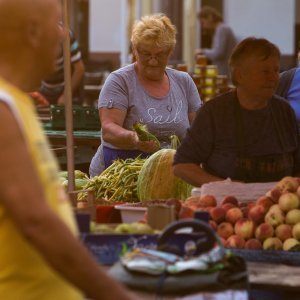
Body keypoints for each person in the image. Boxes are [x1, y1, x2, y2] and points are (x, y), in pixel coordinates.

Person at [0, 0, 137, 299]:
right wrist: (116, 295)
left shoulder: (18, 103)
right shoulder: (2, 111)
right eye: (57, 23)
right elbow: (37, 222)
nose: (63, 35)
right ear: (33, 32)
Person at [173, 37, 300, 186]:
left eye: (276, 70)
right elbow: (182, 166)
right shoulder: (214, 113)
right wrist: (225, 188)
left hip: (277, 207)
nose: (273, 78)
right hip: (225, 206)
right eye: (265, 71)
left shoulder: (284, 111)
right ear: (240, 75)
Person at [89, 14, 201, 177]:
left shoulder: (183, 82)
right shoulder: (120, 81)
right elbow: (109, 130)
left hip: (167, 175)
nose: (153, 61)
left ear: (170, 52)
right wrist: (134, 139)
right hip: (123, 173)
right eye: (146, 54)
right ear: (135, 50)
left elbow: (197, 130)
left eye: (159, 54)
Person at [31, 25, 85, 106]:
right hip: (45, 89)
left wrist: (65, 95)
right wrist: (37, 94)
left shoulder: (67, 36)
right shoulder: (34, 37)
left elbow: (79, 69)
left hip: (68, 88)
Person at [195, 6, 237, 76]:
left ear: (210, 17)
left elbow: (218, 53)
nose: (203, 26)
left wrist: (202, 51)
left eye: (203, 22)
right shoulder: (220, 29)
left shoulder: (222, 29)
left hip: (225, 74)